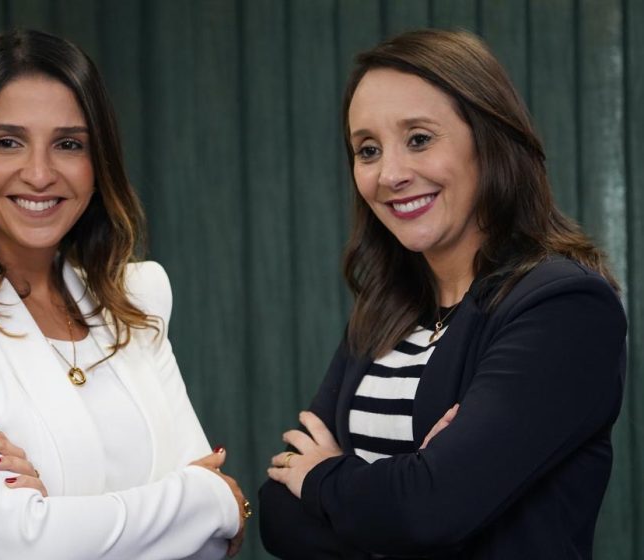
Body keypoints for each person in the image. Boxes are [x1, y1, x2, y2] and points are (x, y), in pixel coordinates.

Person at [0, 29, 249, 559]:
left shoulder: (138, 297)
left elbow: (212, 546)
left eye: (68, 144)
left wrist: (56, 512)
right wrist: (208, 497)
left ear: (97, 162)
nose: (40, 174)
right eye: (8, 141)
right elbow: (21, 547)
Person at [259, 28, 626, 559]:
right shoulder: (384, 314)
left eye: (419, 139)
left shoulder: (564, 306)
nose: (389, 174)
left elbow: (427, 509)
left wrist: (324, 479)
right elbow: (280, 516)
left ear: (488, 139)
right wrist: (403, 489)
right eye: (367, 149)